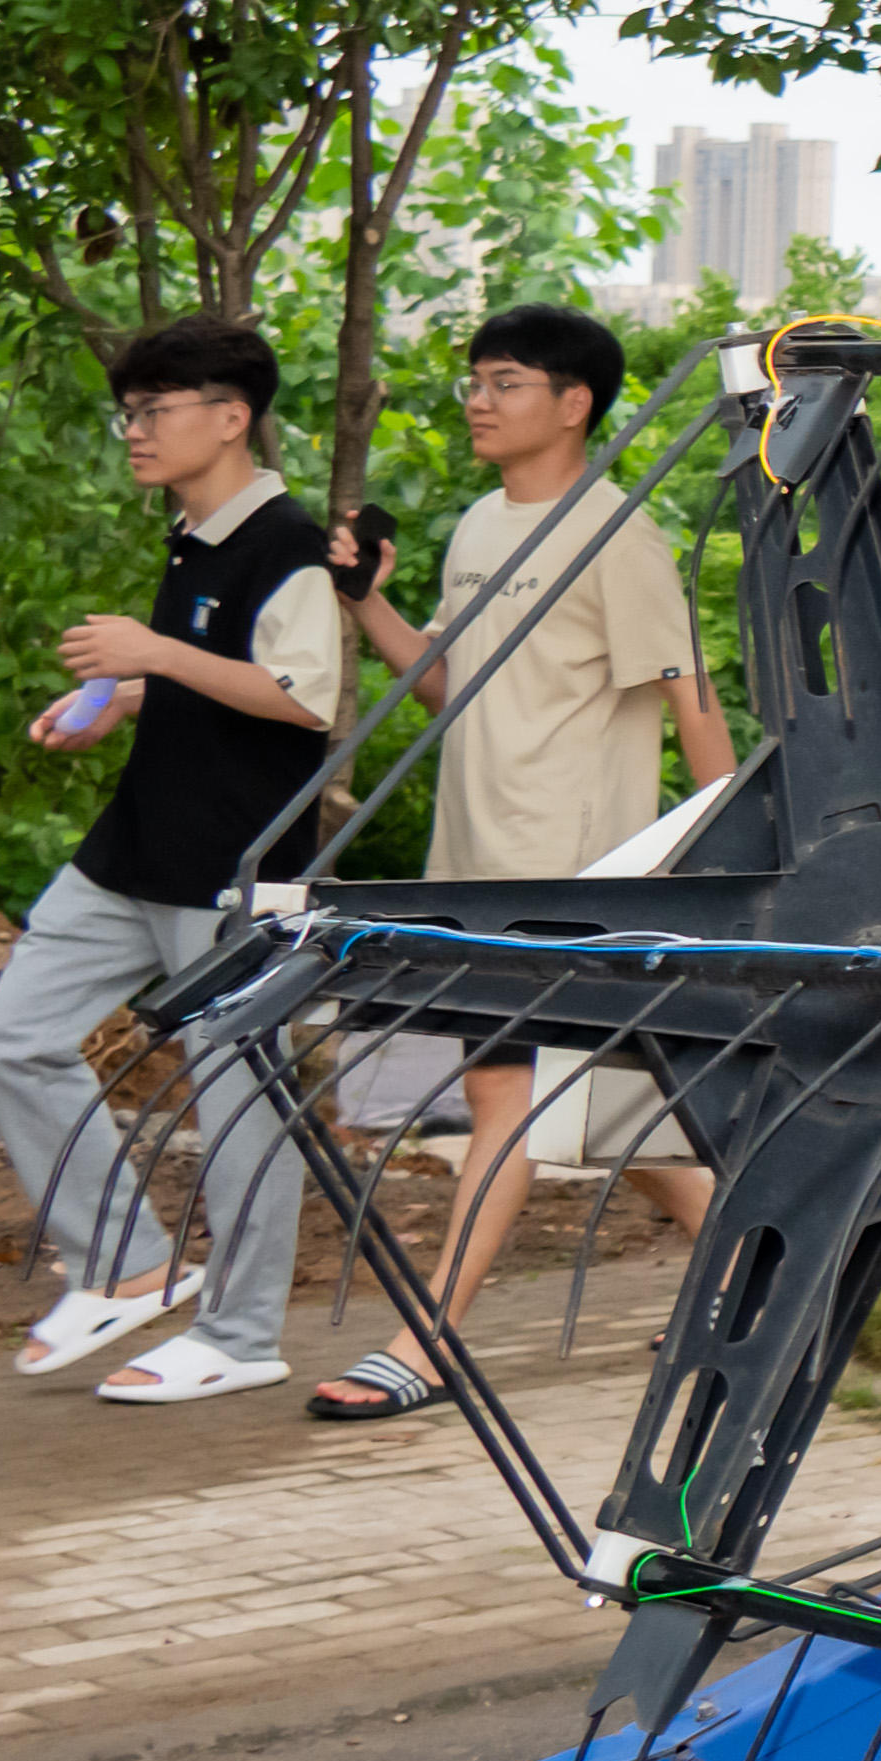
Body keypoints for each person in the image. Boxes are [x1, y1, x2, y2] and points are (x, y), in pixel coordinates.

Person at [305, 305, 735, 1424]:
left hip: (576, 876)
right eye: (473, 384)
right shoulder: (480, 530)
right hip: (480, 869)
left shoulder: (616, 536)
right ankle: (755, 1279)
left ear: (573, 401)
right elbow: (450, 689)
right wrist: (368, 606)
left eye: (503, 382)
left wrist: (723, 856)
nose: (478, 403)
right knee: (607, 1108)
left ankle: (428, 1339)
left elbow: (691, 699)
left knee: (508, 1095)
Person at [0, 316, 351, 1406]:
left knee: (238, 1095)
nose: (132, 432)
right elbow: (218, 677)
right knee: (14, 1038)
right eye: (128, 412)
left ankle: (241, 1333)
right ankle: (126, 1263)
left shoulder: (287, 545)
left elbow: (304, 698)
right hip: (137, 847)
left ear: (230, 419)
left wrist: (154, 655)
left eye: (154, 411)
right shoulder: (195, 534)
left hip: (235, 860)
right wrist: (120, 697)